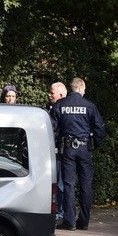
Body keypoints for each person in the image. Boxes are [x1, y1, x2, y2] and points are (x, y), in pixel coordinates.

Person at [49, 77, 106, 231]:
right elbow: (100, 129)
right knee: (86, 185)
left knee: (68, 185)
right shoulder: (89, 106)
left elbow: (51, 127)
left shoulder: (60, 105)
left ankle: (69, 221)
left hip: (67, 149)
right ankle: (84, 222)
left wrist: (53, 145)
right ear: (81, 89)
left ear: (72, 88)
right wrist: (94, 145)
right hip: (84, 149)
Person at [47, 81, 67, 221]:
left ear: (60, 94)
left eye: (52, 93)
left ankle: (60, 213)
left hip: (61, 152)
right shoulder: (51, 108)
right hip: (55, 151)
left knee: (60, 184)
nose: (49, 95)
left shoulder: (61, 109)